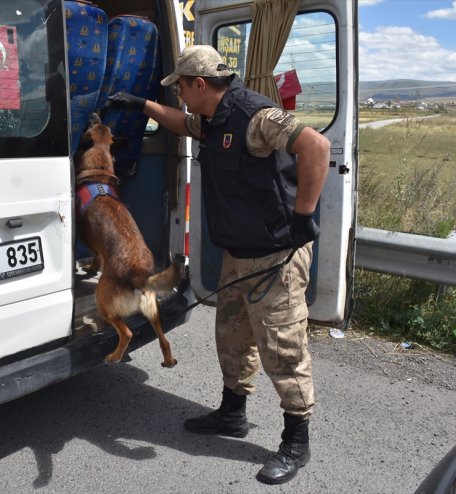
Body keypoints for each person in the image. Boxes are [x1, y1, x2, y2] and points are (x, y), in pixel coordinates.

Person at [106, 45, 330, 485]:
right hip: (238, 252)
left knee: (282, 347)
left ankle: (296, 440)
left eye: (182, 90)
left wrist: (304, 214)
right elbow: (181, 124)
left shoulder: (254, 116)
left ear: (200, 84)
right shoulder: (214, 119)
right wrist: (141, 105)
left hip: (275, 255)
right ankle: (232, 413)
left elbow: (316, 146)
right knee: (232, 336)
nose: (182, 99)